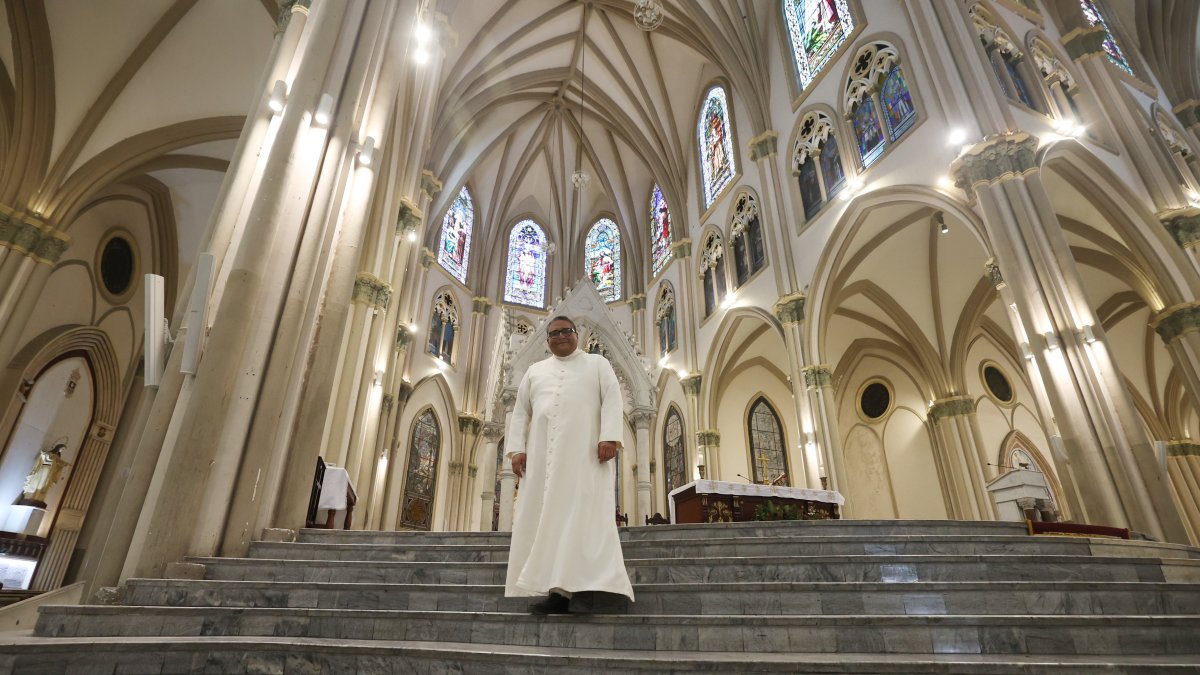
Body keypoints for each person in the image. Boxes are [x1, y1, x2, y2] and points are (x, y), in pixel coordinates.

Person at [504, 315, 634, 614]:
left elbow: (613, 398)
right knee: (548, 521)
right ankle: (558, 591)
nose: (560, 337)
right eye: (553, 334)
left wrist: (610, 437)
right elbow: (521, 412)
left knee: (584, 520)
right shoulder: (535, 371)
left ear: (578, 335)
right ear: (546, 341)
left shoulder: (597, 364)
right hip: (542, 463)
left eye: (566, 331)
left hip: (585, 459)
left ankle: (591, 586)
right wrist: (516, 450)